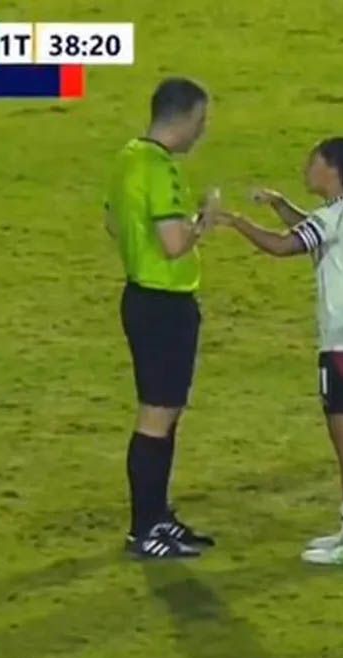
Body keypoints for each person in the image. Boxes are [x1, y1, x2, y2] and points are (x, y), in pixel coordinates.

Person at [211, 137, 343, 566]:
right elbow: (310, 230)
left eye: (313, 163)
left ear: (333, 170)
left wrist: (234, 221)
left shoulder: (338, 213)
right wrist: (280, 204)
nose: (306, 169)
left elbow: (283, 245)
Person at [104, 77, 220, 559]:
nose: (203, 131)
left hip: (141, 296)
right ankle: (144, 529)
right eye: (202, 121)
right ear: (187, 118)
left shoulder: (128, 156)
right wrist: (204, 221)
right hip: (165, 303)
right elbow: (174, 243)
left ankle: (158, 518)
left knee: (164, 414)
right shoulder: (163, 169)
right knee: (156, 417)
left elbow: (113, 222)